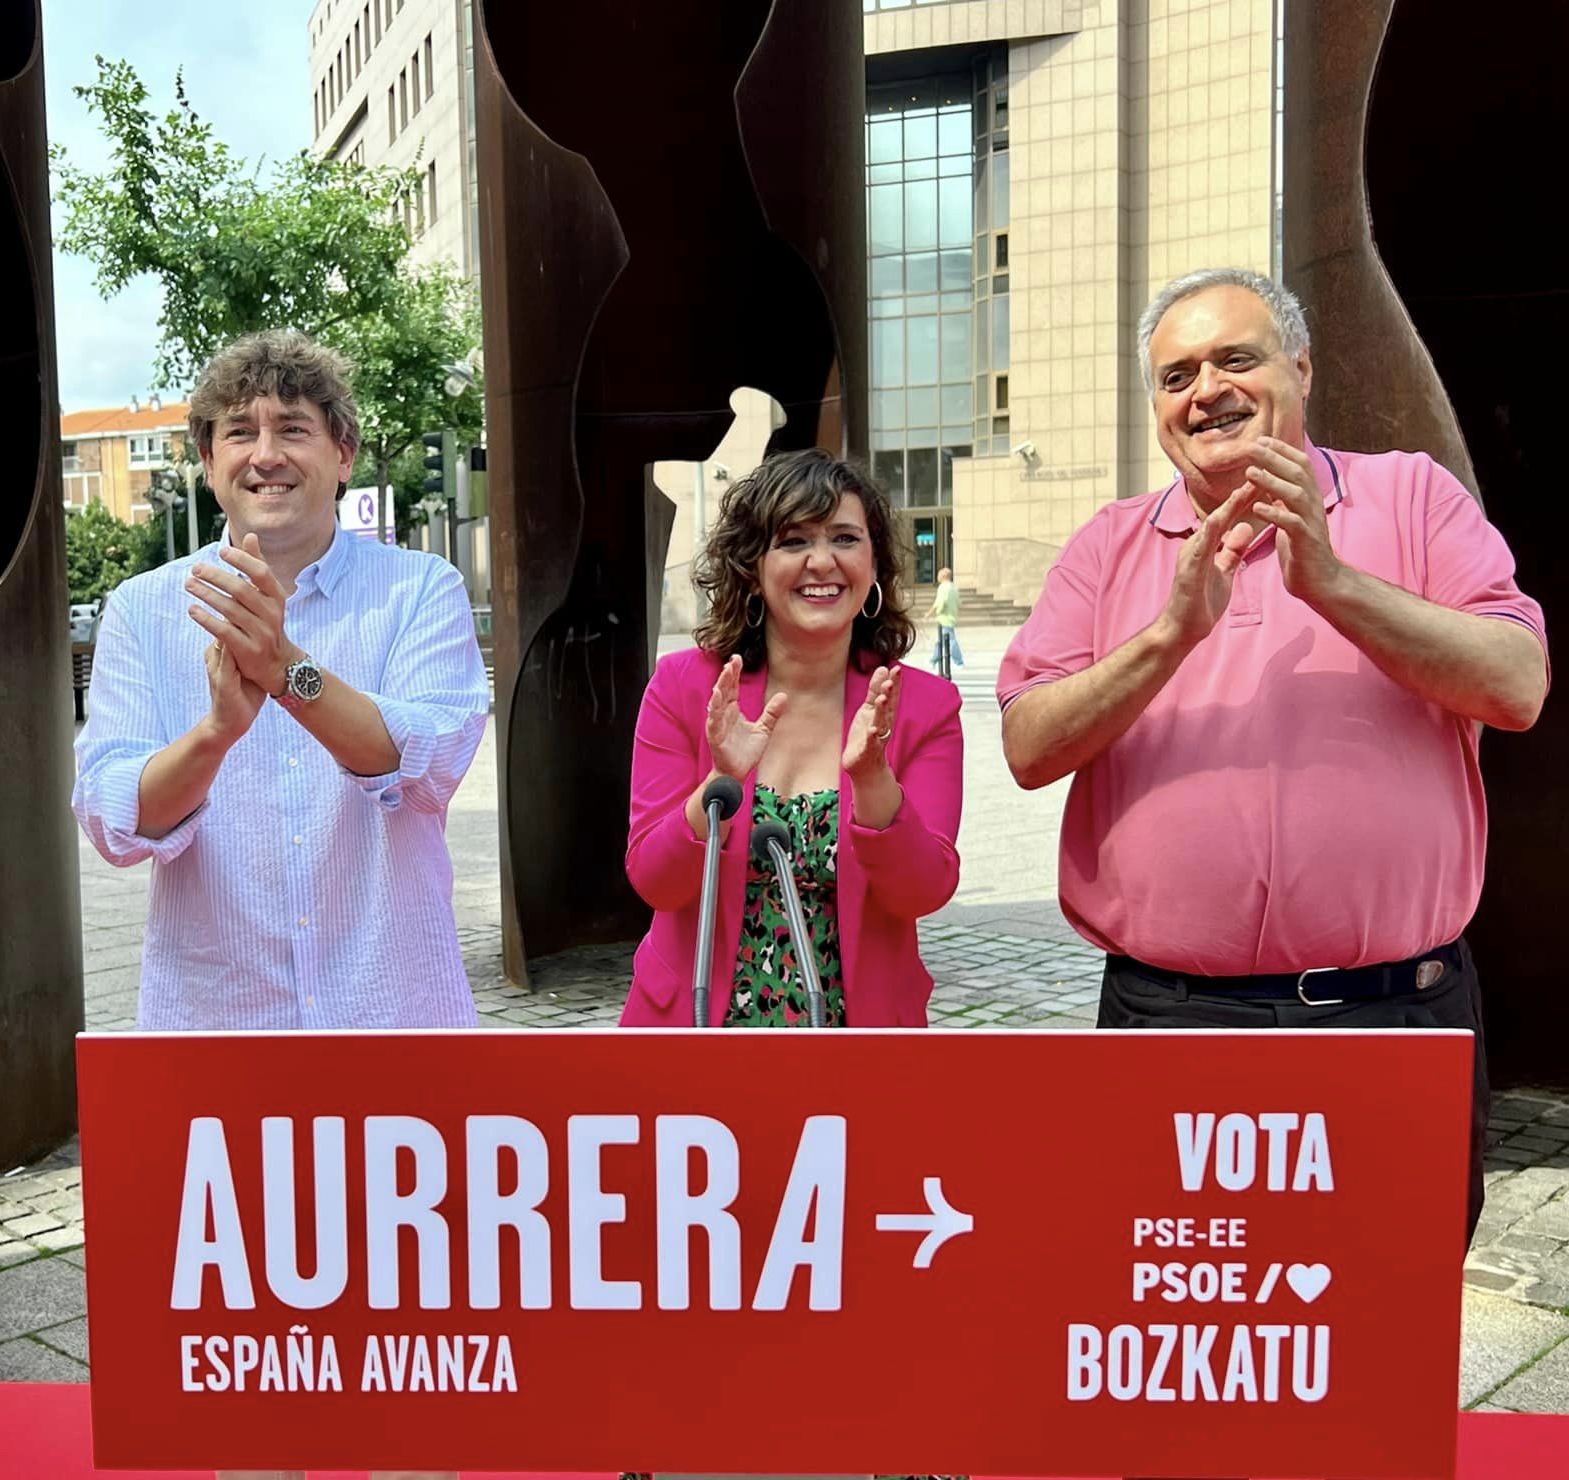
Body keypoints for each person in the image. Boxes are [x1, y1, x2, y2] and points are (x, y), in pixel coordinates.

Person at [998, 267, 1549, 1240]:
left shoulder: (1410, 497)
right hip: (1167, 1022)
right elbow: (1028, 746)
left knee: (1385, 1318)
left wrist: (1333, 583)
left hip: (1390, 1020)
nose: (1203, 388)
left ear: (1298, 368)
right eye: (1174, 375)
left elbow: (1513, 683)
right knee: (1177, 1332)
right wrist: (1168, 635)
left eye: (1233, 358)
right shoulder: (1108, 546)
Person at [73, 328, 490, 1034]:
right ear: (208, 462)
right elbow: (118, 821)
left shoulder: (421, 590)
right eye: (239, 432)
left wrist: (284, 672)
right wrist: (214, 736)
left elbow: (426, 763)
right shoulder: (144, 610)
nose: (266, 456)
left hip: (393, 1015)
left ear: (344, 454)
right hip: (217, 1026)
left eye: (293, 429)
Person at [621, 448, 964, 1031]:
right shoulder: (684, 689)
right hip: (695, 1032)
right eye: (794, 540)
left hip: (858, 1045)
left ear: (875, 563)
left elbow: (923, 892)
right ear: (753, 567)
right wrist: (719, 781)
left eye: (846, 538)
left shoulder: (923, 706)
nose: (822, 561)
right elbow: (654, 880)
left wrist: (873, 779)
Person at [926, 565, 965, 678]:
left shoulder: (943, 587)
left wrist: (931, 613)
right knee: (941, 640)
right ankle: (934, 660)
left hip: (944, 617)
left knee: (950, 640)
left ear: (943, 576)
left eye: (938, 575)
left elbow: (940, 602)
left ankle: (959, 661)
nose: (937, 577)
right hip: (951, 617)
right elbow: (959, 603)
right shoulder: (954, 588)